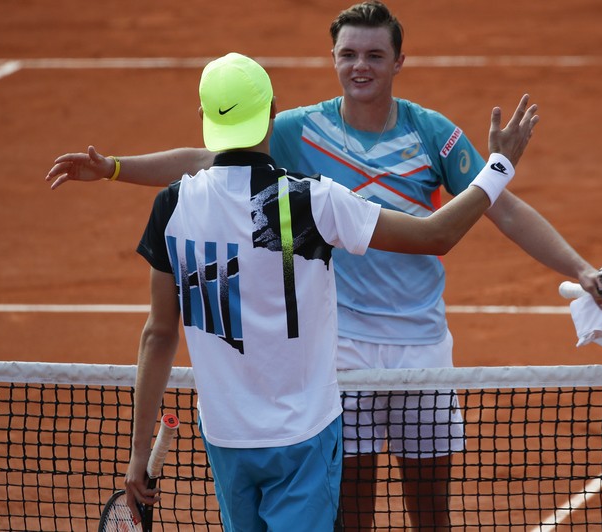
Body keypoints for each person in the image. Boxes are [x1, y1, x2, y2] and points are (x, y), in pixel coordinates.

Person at [46, 3, 599, 529]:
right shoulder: (295, 132)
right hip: (342, 351)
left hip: (422, 345)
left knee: (431, 517)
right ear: (333, 59)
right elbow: (207, 160)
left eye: (374, 55)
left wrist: (580, 267)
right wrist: (116, 167)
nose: (360, 65)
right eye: (348, 54)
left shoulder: (432, 134)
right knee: (348, 518)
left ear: (398, 61)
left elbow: (503, 208)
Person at [119, 51, 537, 531]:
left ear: (203, 117)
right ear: (273, 111)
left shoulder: (171, 205)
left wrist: (137, 454)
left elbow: (157, 335)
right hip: (303, 438)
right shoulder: (309, 199)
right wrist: (499, 166)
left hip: (226, 436)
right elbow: (434, 235)